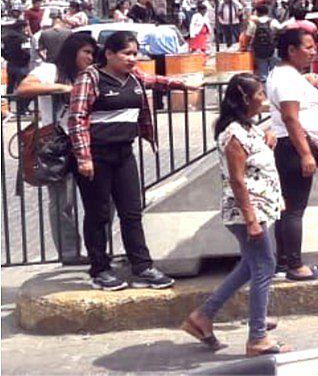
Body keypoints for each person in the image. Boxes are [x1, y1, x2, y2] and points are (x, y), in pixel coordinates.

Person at [181, 74, 288, 356]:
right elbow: (237, 180)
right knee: (264, 266)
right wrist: (251, 220)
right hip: (246, 212)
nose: (263, 100)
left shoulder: (247, 128)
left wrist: (268, 139)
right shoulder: (233, 135)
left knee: (250, 266)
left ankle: (203, 316)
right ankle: (257, 337)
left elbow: (258, 162)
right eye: (260, 94)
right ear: (244, 98)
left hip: (259, 208)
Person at [67, 31, 184, 290]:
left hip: (123, 153)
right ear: (109, 54)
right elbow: (77, 118)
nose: (132, 58)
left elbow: (154, 81)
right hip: (96, 155)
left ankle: (142, 266)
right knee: (98, 214)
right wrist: (84, 158)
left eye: (135, 53)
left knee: (131, 212)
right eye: (126, 53)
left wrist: (183, 85)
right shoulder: (91, 78)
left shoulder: (134, 77)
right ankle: (100, 268)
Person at [16, 32, 97, 265]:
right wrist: (62, 88)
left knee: (103, 198)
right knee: (62, 202)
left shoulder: (91, 74)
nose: (90, 58)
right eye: (86, 52)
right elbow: (24, 88)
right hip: (57, 143)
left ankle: (97, 248)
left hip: (87, 141)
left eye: (93, 53)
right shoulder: (50, 70)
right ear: (72, 52)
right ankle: (69, 253)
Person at [266, 29, 318, 282]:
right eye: (308, 47)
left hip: (291, 145)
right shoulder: (286, 78)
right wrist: (305, 154)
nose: (314, 52)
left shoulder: (288, 75)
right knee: (294, 210)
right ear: (291, 50)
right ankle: (295, 265)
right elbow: (290, 117)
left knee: (287, 208)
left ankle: (283, 262)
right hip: (293, 147)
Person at [246, 3, 282, 80]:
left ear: (257, 12)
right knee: (274, 72)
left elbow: (248, 35)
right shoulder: (273, 21)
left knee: (263, 72)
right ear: (267, 12)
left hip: (259, 50)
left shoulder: (253, 23)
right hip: (272, 49)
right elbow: (281, 30)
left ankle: (264, 84)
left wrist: (246, 46)